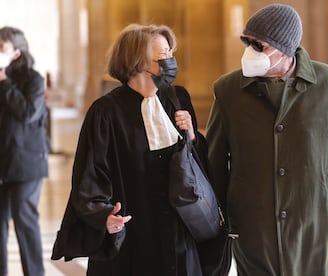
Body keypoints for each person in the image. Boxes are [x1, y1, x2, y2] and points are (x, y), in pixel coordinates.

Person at [205, 4, 328, 276]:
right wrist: (215, 221)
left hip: (314, 219)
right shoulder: (228, 90)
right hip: (253, 224)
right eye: (248, 42)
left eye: (258, 45)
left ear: (284, 48)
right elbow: (214, 160)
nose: (250, 51)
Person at [51, 23, 208, 275]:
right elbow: (90, 174)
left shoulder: (177, 98)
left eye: (170, 53)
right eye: (162, 54)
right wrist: (103, 215)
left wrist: (191, 135)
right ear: (138, 60)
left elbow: (198, 164)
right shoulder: (105, 112)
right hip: (132, 231)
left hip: (178, 230)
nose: (170, 61)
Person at [0, 26, 49, 276]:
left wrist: (5, 83)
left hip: (26, 163)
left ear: (16, 52)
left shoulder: (34, 79)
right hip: (2, 162)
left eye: (2, 48)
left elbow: (28, 113)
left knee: (24, 219)